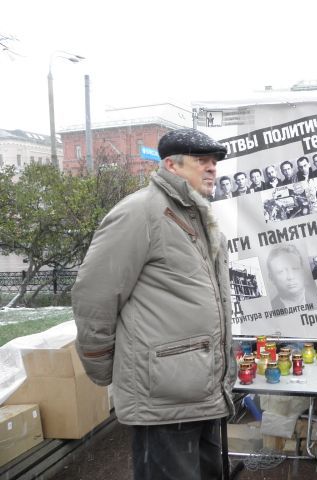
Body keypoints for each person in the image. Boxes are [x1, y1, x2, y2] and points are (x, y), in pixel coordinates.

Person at [72, 128, 236, 480]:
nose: (212, 169)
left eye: (214, 162)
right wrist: (103, 366)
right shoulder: (140, 213)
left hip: (201, 392)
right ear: (171, 166)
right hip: (163, 398)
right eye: (201, 160)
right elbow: (94, 295)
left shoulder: (200, 217)